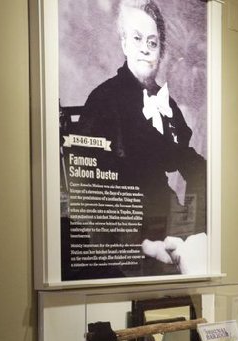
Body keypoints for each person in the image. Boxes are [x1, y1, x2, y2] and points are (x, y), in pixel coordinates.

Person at [77, 0, 207, 273]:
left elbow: (192, 165)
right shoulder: (103, 100)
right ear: (124, 44)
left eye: (153, 42)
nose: (145, 49)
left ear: (160, 51)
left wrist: (190, 229)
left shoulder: (166, 103)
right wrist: (137, 247)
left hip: (165, 223)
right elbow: (89, 192)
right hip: (123, 238)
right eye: (137, 39)